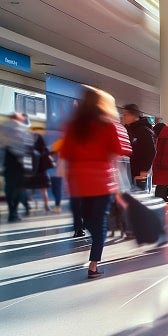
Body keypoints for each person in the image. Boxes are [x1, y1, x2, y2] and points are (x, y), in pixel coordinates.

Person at [59, 88, 132, 279]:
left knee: (89, 222)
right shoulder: (108, 126)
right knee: (99, 224)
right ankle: (93, 265)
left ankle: (94, 254)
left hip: (79, 185)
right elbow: (118, 152)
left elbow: (65, 155)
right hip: (102, 184)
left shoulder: (72, 127)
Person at [1, 113, 34, 222]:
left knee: (9, 189)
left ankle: (12, 212)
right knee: (20, 189)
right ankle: (14, 212)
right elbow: (28, 150)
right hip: (20, 165)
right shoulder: (23, 129)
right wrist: (28, 169)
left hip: (8, 163)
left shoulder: (3, 129)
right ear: (18, 118)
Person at [120, 104, 156, 191]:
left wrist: (144, 170)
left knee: (139, 198)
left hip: (139, 173)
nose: (123, 117)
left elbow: (151, 151)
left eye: (125, 115)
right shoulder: (126, 130)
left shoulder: (144, 131)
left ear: (133, 116)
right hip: (127, 172)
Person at [151, 120, 168, 203]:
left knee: (160, 195)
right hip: (162, 169)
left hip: (164, 169)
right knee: (161, 194)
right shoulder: (164, 137)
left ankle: (166, 212)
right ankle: (166, 213)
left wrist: (163, 165)